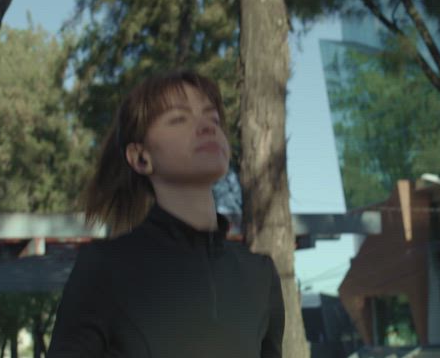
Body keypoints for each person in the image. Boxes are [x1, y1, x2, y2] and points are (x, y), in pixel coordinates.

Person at [47, 70, 285, 358]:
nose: (207, 127)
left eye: (213, 119)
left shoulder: (259, 274)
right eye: (179, 119)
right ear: (140, 157)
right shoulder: (105, 266)